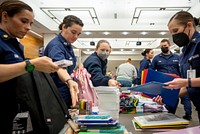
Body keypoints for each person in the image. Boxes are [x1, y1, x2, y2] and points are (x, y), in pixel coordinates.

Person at [0, 0, 60, 133]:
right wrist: (30, 65)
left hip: (13, 109)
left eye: (30, 23)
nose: (28, 27)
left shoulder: (15, 44)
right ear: (5, 16)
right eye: (23, 21)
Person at [154, 11, 200, 123]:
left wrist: (186, 82)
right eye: (171, 33)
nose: (174, 36)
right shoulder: (184, 52)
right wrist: (167, 96)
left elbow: (188, 82)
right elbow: (189, 86)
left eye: (176, 31)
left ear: (189, 25)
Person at [44, 15, 83, 108]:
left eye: (78, 34)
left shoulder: (67, 45)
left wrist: (79, 65)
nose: (76, 37)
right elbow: (60, 68)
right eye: (73, 32)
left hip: (65, 88)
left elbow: (70, 63)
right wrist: (69, 80)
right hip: (56, 90)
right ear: (64, 27)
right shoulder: (56, 45)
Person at [151, 39, 192, 118]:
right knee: (168, 99)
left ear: (169, 45)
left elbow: (182, 69)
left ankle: (188, 114)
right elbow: (152, 71)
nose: (163, 47)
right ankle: (169, 114)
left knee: (184, 97)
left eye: (165, 46)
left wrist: (184, 80)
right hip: (164, 83)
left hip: (177, 81)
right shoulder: (156, 58)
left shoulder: (177, 57)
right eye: (161, 46)